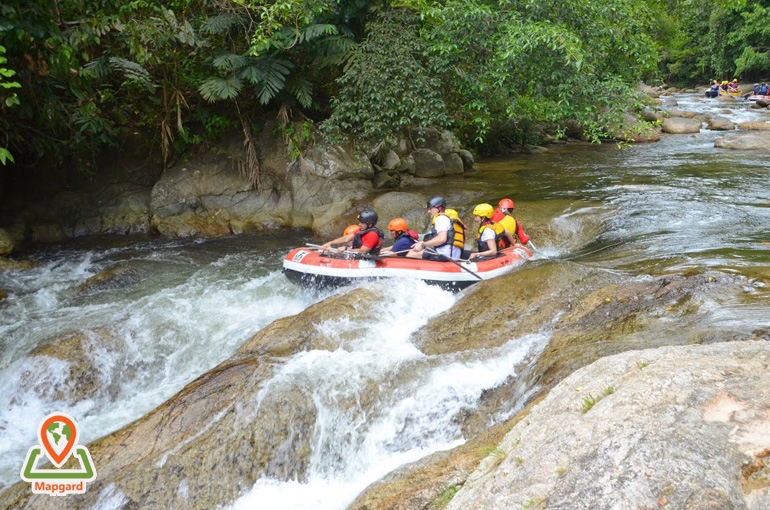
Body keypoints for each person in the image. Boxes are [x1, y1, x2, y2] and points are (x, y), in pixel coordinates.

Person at [406, 196, 465, 261]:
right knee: (424, 250)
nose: (428, 211)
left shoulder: (440, 219)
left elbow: (442, 239)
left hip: (444, 256)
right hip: (454, 255)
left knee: (411, 253)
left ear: (439, 208)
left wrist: (423, 244)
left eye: (430, 208)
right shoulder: (449, 219)